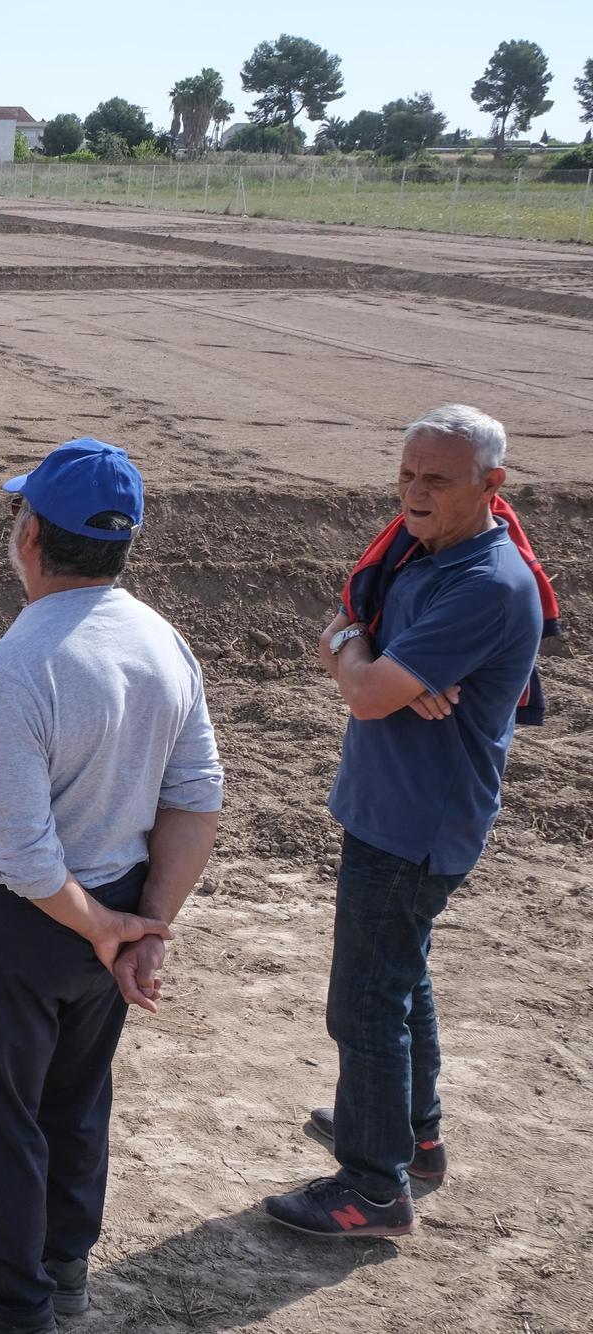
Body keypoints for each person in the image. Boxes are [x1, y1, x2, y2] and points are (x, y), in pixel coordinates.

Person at [0, 439, 223, 1334]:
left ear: (31, 534)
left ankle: (11, 1304)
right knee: (76, 1103)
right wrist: (144, 924)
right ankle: (64, 1273)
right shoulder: (162, 642)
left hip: (20, 924)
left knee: (1, 1118)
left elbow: (26, 853)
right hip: (115, 901)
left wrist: (107, 929)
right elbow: (197, 797)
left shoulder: (20, 663)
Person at [263, 406, 542, 1239]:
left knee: (364, 1005)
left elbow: (364, 686)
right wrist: (361, 646)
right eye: (408, 474)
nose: (413, 494)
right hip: (399, 813)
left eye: (437, 480)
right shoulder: (427, 556)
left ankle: (373, 1187)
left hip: (415, 826)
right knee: (402, 979)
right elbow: (358, 652)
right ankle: (413, 1139)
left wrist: (360, 659)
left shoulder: (485, 585)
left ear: (492, 486)